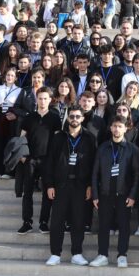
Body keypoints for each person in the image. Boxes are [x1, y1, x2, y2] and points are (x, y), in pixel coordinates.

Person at [45, 104, 96, 266]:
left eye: (77, 116)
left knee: (79, 220)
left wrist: (90, 186)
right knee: (57, 220)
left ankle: (77, 253)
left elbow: (94, 165)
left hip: (80, 186)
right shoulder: (58, 137)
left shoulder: (89, 138)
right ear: (68, 118)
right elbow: (49, 162)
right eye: (72, 116)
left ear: (82, 118)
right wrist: (49, 185)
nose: (74, 119)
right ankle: (55, 254)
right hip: (61, 184)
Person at [90, 117, 139, 268]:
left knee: (124, 225)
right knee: (103, 225)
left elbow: (137, 175)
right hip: (105, 193)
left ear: (126, 129)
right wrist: (95, 194)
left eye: (120, 126)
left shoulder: (132, 149)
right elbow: (95, 173)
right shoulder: (103, 147)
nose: (117, 129)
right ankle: (102, 255)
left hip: (123, 194)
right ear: (110, 128)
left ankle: (122, 255)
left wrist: (132, 195)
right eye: (114, 126)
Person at [18, 87, 61, 234]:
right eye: (40, 98)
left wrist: (54, 159)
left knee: (47, 192)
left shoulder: (55, 118)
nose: (42, 101)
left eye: (45, 98)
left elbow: (57, 140)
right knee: (27, 191)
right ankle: (27, 222)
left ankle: (43, 222)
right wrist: (23, 156)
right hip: (30, 159)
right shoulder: (29, 117)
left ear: (50, 100)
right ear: (36, 99)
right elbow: (22, 137)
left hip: (48, 160)